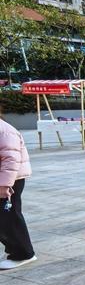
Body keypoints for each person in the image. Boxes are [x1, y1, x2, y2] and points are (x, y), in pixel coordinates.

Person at [0, 110, 36, 270]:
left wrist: (4, 185)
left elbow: (11, 159)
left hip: (10, 181)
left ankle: (23, 253)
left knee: (9, 217)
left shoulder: (5, 130)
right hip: (5, 179)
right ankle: (14, 250)